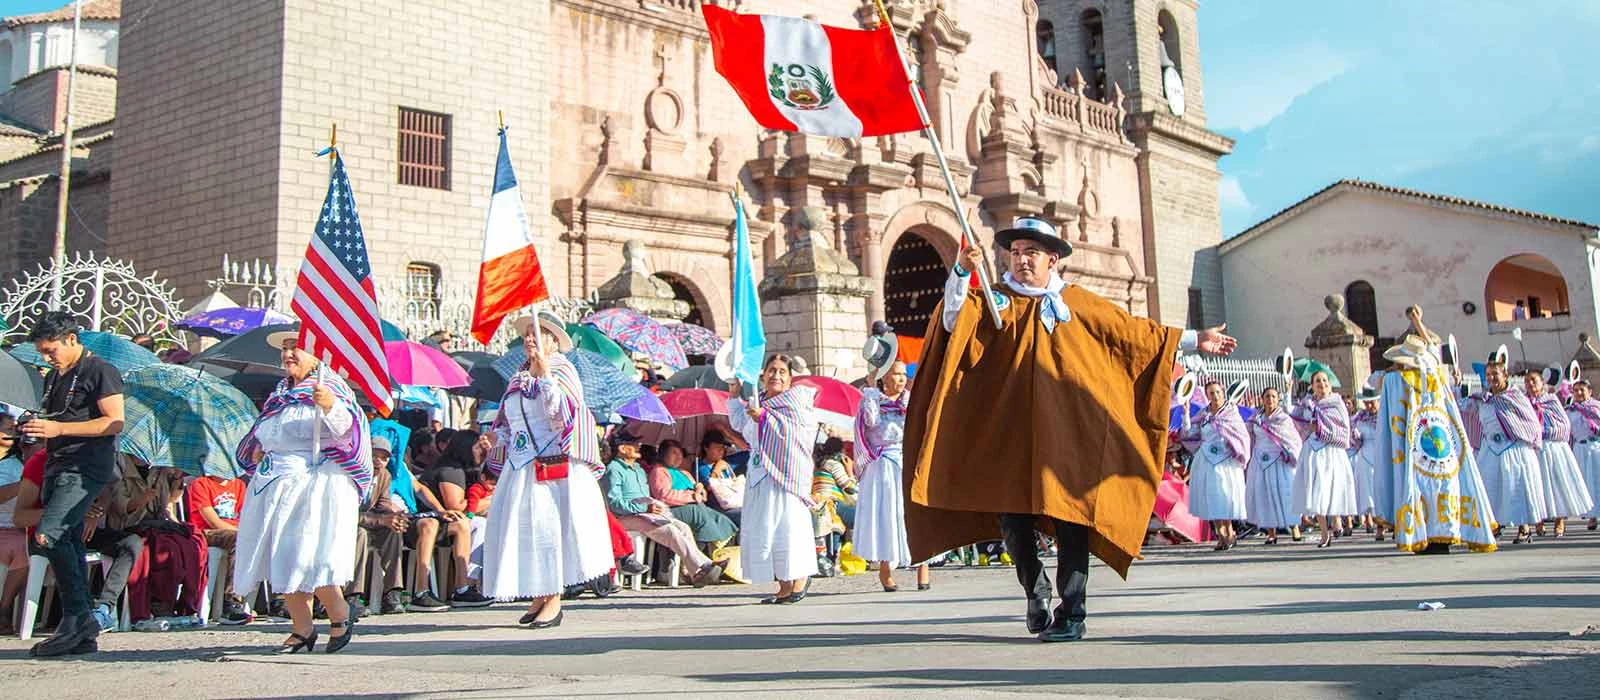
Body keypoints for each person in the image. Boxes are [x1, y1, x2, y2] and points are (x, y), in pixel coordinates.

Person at [904, 217, 1236, 642]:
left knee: (1073, 522)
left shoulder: (1078, 304)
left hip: (1069, 441)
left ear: (1052, 259)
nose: (1022, 260)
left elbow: (1136, 335)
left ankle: (1073, 613)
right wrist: (961, 272)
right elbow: (952, 323)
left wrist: (1194, 339)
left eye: (1032, 253)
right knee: (1015, 523)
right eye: (1017, 252)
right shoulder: (995, 300)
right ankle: (1035, 590)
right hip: (1012, 439)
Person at [233, 329, 372, 654]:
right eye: (285, 349)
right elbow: (269, 431)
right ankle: (303, 628)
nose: (288, 354)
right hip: (274, 483)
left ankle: (339, 613)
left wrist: (330, 406)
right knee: (280, 555)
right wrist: (260, 448)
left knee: (308, 555)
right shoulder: (280, 394)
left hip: (312, 484)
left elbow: (348, 433)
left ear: (317, 355)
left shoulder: (330, 387)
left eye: (296, 348)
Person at [480, 312, 619, 629]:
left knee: (548, 529)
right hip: (522, 465)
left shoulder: (562, 370)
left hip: (553, 464)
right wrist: (495, 436)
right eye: (528, 333)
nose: (530, 339)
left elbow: (562, 417)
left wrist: (546, 379)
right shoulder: (518, 376)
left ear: (554, 343)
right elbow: (514, 421)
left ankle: (554, 597)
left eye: (538, 334)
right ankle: (539, 594)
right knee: (527, 529)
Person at [19, 311, 126, 657]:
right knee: (69, 541)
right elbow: (57, 418)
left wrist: (60, 429)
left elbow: (114, 422)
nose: (47, 357)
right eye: (42, 352)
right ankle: (82, 630)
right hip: (56, 463)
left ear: (71, 339)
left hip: (85, 466)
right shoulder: (54, 375)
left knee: (48, 534)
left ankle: (78, 617)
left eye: (51, 350)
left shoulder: (100, 370)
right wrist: (39, 427)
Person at [1372, 336, 1498, 553]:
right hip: (1435, 445)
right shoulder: (1437, 379)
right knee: (1438, 486)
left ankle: (1428, 535)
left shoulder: (1397, 382)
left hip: (1423, 445)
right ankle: (1441, 536)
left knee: (1423, 486)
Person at [729, 354, 828, 605]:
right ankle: (783, 584)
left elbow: (797, 434)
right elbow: (741, 425)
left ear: (790, 378)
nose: (776, 376)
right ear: (763, 375)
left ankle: (800, 577)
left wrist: (763, 417)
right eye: (772, 370)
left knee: (789, 528)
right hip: (760, 474)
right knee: (767, 530)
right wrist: (734, 395)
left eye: (782, 372)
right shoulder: (758, 401)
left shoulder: (795, 401)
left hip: (786, 476)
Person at [602, 430, 725, 587]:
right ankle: (705, 565)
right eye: (633, 444)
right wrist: (645, 507)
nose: (638, 446)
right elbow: (614, 503)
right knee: (670, 531)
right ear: (622, 448)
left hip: (646, 513)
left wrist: (652, 507)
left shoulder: (639, 469)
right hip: (625, 517)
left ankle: (695, 573)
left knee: (683, 527)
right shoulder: (614, 469)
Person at [853, 354, 930, 593]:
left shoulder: (912, 400)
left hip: (907, 460)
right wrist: (871, 393)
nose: (900, 378)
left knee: (914, 513)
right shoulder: (873, 400)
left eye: (902, 374)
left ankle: (922, 567)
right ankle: (886, 568)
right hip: (882, 463)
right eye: (895, 373)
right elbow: (871, 422)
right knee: (888, 515)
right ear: (883, 377)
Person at [1471, 351, 1547, 544]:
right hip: (1492, 448)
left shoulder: (1514, 396)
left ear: (1504, 376)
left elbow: (1530, 423)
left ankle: (1524, 528)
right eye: (1488, 375)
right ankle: (1493, 525)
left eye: (1495, 374)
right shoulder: (1483, 399)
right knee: (1489, 486)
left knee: (1516, 486)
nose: (1491, 378)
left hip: (1514, 447)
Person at [412, 429, 492, 610]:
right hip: (427, 520)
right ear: (466, 447)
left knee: (480, 524)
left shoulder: (465, 468)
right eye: (479, 447)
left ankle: (467, 587)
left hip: (444, 523)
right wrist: (489, 501)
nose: (482, 451)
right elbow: (455, 506)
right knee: (480, 524)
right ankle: (468, 582)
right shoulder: (451, 469)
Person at [1288, 370, 1357, 548]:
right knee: (1315, 490)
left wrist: (1318, 426)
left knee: (1331, 487)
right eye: (1318, 381)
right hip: (1314, 450)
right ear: (1312, 385)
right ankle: (1324, 533)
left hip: (1332, 451)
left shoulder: (1336, 403)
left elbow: (1343, 428)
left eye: (1324, 380)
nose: (1322, 384)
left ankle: (1337, 520)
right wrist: (1287, 393)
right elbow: (1293, 413)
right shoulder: (1308, 404)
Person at [1181, 380, 1250, 550]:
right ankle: (1221, 536)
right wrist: (1186, 414)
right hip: (1207, 460)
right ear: (1207, 395)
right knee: (1212, 497)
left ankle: (1230, 532)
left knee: (1225, 496)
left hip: (1226, 460)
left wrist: (1234, 449)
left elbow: (1241, 436)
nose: (1215, 396)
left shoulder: (1231, 412)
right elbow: (1190, 434)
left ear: (1223, 392)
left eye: (1217, 392)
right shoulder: (1204, 415)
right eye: (1211, 393)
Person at [1526, 370, 1593, 537]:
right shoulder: (1524, 402)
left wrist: (1544, 432)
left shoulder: (1551, 400)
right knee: (1536, 485)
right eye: (1527, 381)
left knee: (1556, 484)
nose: (1531, 384)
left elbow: (1564, 424)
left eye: (1534, 381)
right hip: (1534, 448)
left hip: (1552, 446)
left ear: (1542, 383)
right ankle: (1538, 520)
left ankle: (1559, 520)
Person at [186, 470, 254, 624]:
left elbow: (246, 515)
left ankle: (274, 599)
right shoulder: (201, 483)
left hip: (235, 532)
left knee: (257, 540)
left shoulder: (238, 484)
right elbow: (213, 521)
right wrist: (243, 533)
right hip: (207, 532)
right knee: (241, 540)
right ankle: (231, 602)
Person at [355, 437, 410, 615]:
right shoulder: (352, 475)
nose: (378, 461)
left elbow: (382, 504)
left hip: (368, 520)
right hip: (346, 524)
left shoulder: (384, 476)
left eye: (384, 458)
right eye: (374, 456)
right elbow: (347, 514)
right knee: (360, 533)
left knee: (393, 532)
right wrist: (382, 520)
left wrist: (396, 516)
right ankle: (353, 595)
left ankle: (392, 593)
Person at [648, 440, 737, 546]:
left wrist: (700, 489)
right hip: (671, 510)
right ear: (663, 454)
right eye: (674, 453)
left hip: (696, 506)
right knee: (698, 513)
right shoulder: (659, 471)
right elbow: (664, 495)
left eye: (680, 453)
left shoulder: (684, 472)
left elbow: (700, 493)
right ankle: (700, 552)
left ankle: (722, 549)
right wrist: (692, 496)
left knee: (719, 518)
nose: (679, 456)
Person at [1245, 387, 1303, 544]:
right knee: (1264, 495)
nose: (1270, 399)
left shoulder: (1283, 419)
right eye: (1267, 396)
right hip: (1260, 460)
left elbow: (1293, 439)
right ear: (1262, 399)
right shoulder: (1255, 419)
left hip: (1279, 459)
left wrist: (1289, 453)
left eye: (1273, 396)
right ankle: (1271, 532)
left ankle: (1295, 527)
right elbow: (1248, 437)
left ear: (1278, 399)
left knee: (1285, 494)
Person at [0, 415, 31, 634]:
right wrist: (24, 485)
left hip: (26, 529)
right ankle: (4, 607)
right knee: (25, 548)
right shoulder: (9, 466)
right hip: (5, 528)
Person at [1350, 388, 1386, 539]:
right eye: (1366, 403)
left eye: (1372, 403)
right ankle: (1376, 524)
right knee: (1370, 493)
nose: (1369, 406)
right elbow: (1351, 435)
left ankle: (1386, 524)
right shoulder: (1359, 417)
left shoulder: (1385, 416)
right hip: (1365, 455)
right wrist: (1355, 437)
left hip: (1381, 454)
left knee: (1383, 491)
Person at [1565, 380, 1600, 531]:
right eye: (1576, 390)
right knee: (1587, 482)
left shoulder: (1596, 407)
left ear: (1589, 392)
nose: (1579, 393)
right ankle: (1592, 515)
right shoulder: (1570, 410)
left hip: (1596, 447)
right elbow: (1569, 433)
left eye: (1582, 390)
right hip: (1580, 448)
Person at [698, 431, 744, 524]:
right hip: (719, 509)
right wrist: (717, 470)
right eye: (716, 447)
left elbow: (748, 450)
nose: (721, 450)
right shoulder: (701, 467)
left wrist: (727, 433)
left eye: (723, 447)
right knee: (746, 515)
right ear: (706, 448)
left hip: (736, 502)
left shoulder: (727, 461)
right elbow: (709, 486)